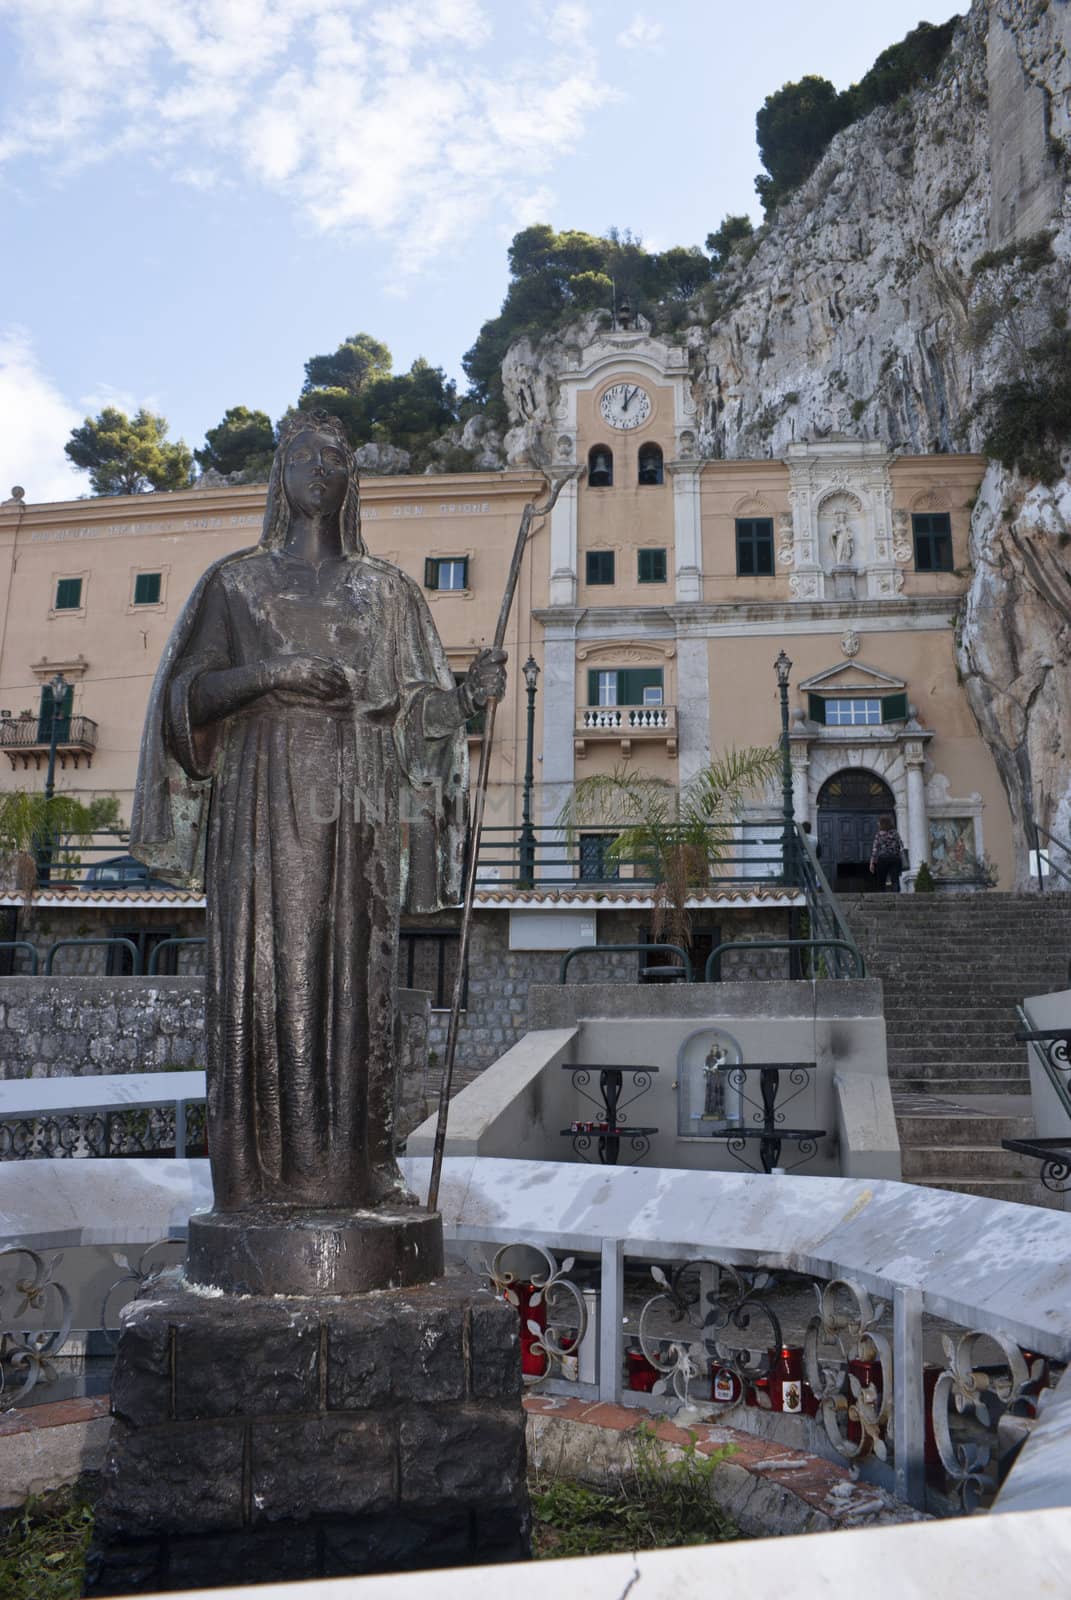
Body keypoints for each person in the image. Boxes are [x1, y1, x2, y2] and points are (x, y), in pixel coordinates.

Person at [131, 411, 506, 1214]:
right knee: (273, 968)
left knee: (359, 977)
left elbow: (415, 713)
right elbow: (183, 698)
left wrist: (465, 701)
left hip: (359, 800)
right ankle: (261, 1180)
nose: (319, 468)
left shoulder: (391, 592)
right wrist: (269, 674)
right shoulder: (235, 583)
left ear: (350, 481)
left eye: (334, 457)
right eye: (302, 455)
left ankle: (358, 1170)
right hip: (262, 800)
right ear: (280, 474)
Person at [869, 813, 905, 892]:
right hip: (895, 858)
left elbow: (875, 849)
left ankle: (882, 896)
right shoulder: (895, 833)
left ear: (882, 823)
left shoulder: (879, 834)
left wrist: (872, 863)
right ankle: (896, 895)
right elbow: (901, 845)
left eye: (878, 822)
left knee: (881, 880)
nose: (877, 823)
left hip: (883, 859)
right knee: (895, 879)